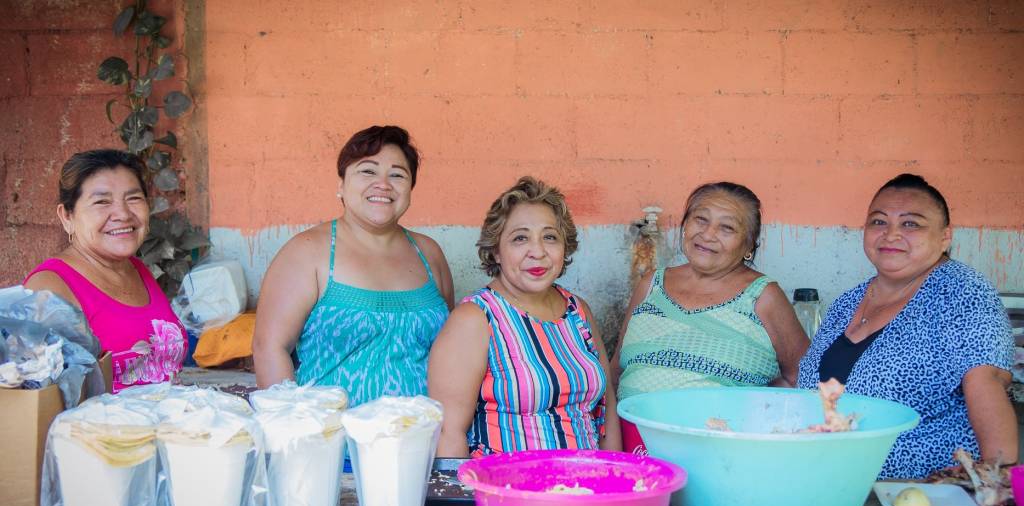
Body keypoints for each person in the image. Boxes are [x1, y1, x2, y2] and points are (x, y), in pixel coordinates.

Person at [798, 174, 1016, 479]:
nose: (890, 235)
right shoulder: (848, 303)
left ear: (944, 237)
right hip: (833, 481)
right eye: (878, 222)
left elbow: (988, 380)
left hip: (921, 492)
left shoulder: (961, 291)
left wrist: (998, 479)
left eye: (911, 224)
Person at [253, 125, 453, 407]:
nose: (383, 184)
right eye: (367, 171)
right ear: (341, 185)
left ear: (410, 189)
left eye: (397, 174)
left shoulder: (429, 254)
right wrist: (298, 433)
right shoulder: (308, 252)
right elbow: (269, 348)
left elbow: (451, 351)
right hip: (334, 441)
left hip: (421, 439)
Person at [429, 176, 621, 457]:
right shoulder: (476, 319)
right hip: (508, 491)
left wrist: (615, 483)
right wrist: (464, 500)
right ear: (496, 250)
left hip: (586, 490)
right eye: (520, 238)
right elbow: (448, 432)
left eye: (550, 237)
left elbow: (607, 413)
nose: (538, 252)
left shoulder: (577, 311)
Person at [614, 182, 809, 453]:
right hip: (635, 446)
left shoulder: (763, 296)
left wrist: (752, 405)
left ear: (749, 244)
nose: (708, 234)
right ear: (684, 225)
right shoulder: (651, 284)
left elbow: (801, 377)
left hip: (722, 453)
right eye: (700, 220)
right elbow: (617, 368)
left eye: (727, 228)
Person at [24, 149, 187, 393]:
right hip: (97, 430)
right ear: (67, 216)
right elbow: (41, 398)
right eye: (102, 202)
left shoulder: (137, 270)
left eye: (133, 198)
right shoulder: (50, 288)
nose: (123, 214)